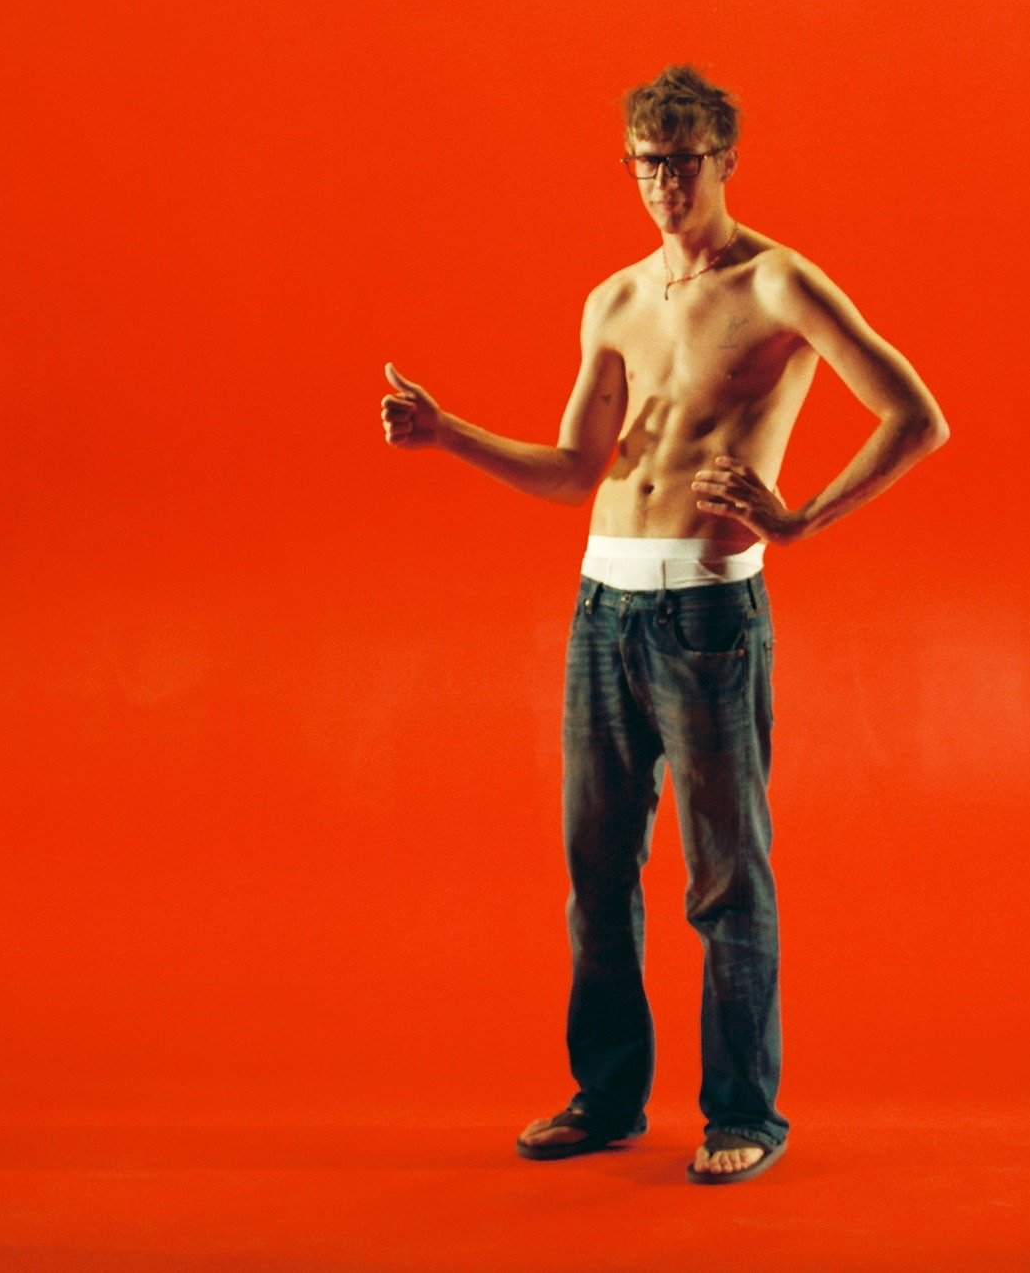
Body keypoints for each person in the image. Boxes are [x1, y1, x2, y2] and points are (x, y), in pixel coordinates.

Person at [378, 64, 949, 1185]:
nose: (665, 183)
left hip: (706, 611)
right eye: (647, 162)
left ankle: (744, 1111)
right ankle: (606, 1096)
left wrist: (798, 519)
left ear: (724, 161)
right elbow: (574, 469)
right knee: (596, 869)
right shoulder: (614, 301)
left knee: (724, 874)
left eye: (684, 161)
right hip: (604, 604)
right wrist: (449, 436)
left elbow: (915, 416)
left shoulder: (778, 283)